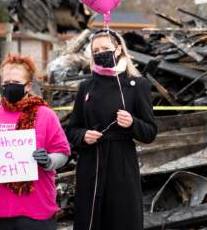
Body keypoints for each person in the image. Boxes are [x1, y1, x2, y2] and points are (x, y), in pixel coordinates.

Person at [67, 29, 157, 230]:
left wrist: (132, 123)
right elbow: (72, 129)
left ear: (118, 50)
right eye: (95, 50)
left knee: (122, 219)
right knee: (90, 219)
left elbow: (150, 132)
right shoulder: (86, 87)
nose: (100, 53)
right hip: (91, 163)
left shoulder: (137, 84)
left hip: (121, 165)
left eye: (105, 48)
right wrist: (83, 136)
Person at [0, 54, 71, 230]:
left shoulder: (45, 115)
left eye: (16, 82)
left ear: (28, 86)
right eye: (6, 82)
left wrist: (48, 161)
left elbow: (63, 153)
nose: (10, 86)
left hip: (36, 208)